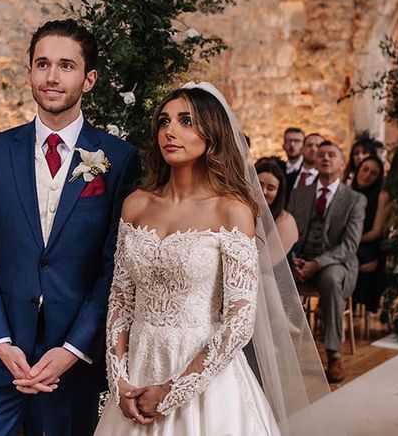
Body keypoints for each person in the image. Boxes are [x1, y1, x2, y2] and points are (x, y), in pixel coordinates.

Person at [0, 19, 141, 436]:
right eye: (42, 64)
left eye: (66, 65)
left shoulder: (118, 159)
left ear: (89, 78)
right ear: (28, 73)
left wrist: (73, 349)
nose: (52, 76)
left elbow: (113, 268)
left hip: (72, 361)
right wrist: (1, 343)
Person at [96, 85, 281, 434]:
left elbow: (239, 322)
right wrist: (118, 380)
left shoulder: (232, 209)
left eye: (185, 122)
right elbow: (121, 299)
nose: (170, 130)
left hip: (203, 375)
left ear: (211, 134)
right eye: (164, 121)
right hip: (138, 364)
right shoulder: (136, 204)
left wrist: (170, 391)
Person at [289, 141, 366, 383]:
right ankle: (276, 351)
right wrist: (291, 260)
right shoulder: (298, 194)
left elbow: (349, 246)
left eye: (332, 155)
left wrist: (318, 263)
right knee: (269, 274)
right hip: (299, 259)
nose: (325, 158)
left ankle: (333, 356)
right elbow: (286, 230)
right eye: (321, 155)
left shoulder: (355, 200)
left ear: (342, 164)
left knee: (332, 279)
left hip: (334, 263)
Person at [351, 155, 389, 313]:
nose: (367, 175)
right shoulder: (347, 190)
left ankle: (338, 305)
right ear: (358, 169)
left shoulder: (381, 196)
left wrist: (351, 242)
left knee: (344, 257)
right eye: (365, 169)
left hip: (368, 244)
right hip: (350, 242)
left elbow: (376, 232)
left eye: (373, 173)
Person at [255, 158, 298, 256]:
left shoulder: (285, 221)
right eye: (258, 184)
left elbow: (266, 265)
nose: (263, 192)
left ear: (279, 192)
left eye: (270, 188)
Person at [282, 127, 305, 192]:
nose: (292, 144)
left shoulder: (308, 173)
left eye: (297, 141)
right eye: (288, 141)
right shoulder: (278, 169)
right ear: (283, 145)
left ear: (303, 145)